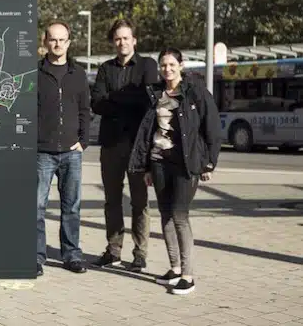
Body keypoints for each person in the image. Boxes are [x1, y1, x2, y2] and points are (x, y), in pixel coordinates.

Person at [128, 47, 220, 294]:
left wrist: (209, 162)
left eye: (171, 65)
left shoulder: (195, 92)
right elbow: (150, 132)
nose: (167, 69)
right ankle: (175, 269)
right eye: (163, 65)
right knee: (166, 215)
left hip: (185, 165)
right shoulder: (155, 93)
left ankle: (188, 276)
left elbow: (211, 126)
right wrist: (147, 166)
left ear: (181, 65)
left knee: (180, 216)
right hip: (159, 163)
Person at [91, 18, 159, 271]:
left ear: (134, 40)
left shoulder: (147, 65)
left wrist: (114, 100)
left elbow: (148, 99)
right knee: (112, 200)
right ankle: (113, 250)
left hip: (138, 146)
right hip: (110, 144)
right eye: (117, 38)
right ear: (113, 42)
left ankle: (140, 254)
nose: (122, 42)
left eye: (126, 38)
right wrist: (127, 98)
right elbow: (96, 103)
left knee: (140, 201)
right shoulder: (105, 69)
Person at [36, 21, 91, 277]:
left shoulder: (78, 74)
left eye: (62, 40)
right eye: (53, 39)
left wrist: (84, 140)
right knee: (36, 206)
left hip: (71, 151)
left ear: (69, 42)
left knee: (71, 206)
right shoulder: (34, 72)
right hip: (42, 151)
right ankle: (36, 256)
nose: (57, 44)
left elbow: (84, 110)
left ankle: (72, 255)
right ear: (46, 41)